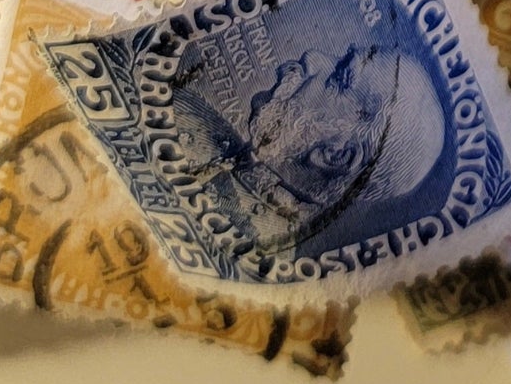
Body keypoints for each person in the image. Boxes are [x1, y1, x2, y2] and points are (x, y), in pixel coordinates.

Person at [167, 40, 447, 255]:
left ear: (334, 155)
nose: (312, 56)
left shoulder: (239, 243)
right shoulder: (201, 118)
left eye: (340, 73)